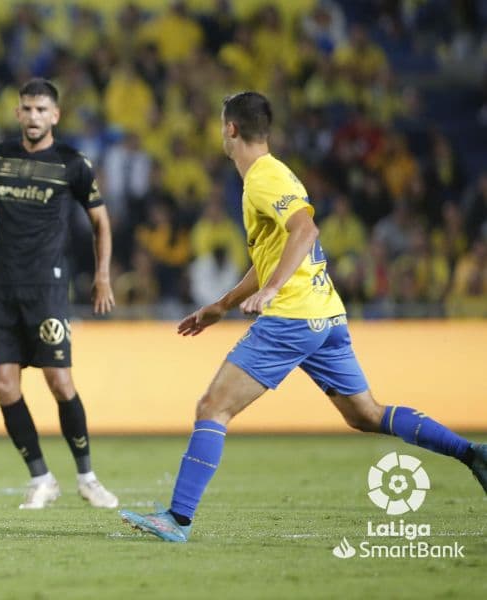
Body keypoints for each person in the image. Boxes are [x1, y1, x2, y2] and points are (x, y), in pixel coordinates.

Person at [120, 92, 487, 543]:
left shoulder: (263, 178)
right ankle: (472, 453)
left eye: (221, 125)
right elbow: (275, 254)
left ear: (230, 129)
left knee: (213, 407)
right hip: (324, 314)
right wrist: (223, 304)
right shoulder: (276, 173)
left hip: (291, 318)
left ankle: (177, 519)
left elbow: (306, 230)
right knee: (367, 414)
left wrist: (273, 290)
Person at [0, 78, 118, 510]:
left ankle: (88, 477)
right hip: (3, 288)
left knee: (59, 381)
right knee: (3, 384)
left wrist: (102, 275)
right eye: (27, 109)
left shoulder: (72, 163)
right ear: (17, 113)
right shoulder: (0, 157)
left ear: (55, 115)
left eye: (41, 110)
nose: (33, 116)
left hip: (47, 286)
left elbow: (100, 222)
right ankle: (42, 477)